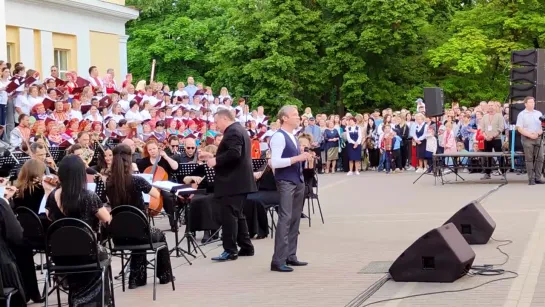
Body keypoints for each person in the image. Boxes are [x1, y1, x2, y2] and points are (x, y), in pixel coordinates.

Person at [44, 155, 113, 306]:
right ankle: (97, 301)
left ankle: (77, 297)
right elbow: (107, 219)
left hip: (60, 255)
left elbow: (49, 217)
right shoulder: (88, 196)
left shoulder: (52, 196)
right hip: (88, 254)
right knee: (104, 253)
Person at [106, 144, 174, 288]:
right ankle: (164, 276)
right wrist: (139, 175)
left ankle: (136, 278)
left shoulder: (109, 181)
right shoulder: (136, 180)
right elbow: (155, 194)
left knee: (137, 235)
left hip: (119, 235)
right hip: (140, 232)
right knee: (159, 235)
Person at [199, 109, 256, 261]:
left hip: (233, 182)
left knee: (229, 216)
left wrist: (215, 161)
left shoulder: (232, 132)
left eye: (217, 122)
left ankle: (230, 250)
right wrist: (212, 155)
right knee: (238, 214)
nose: (216, 125)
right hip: (240, 181)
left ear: (224, 118)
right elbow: (233, 152)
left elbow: (234, 153)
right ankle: (246, 246)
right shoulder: (239, 129)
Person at [269, 105, 311, 272]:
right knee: (285, 219)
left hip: (297, 180)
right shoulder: (278, 137)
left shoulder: (292, 136)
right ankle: (278, 260)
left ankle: (290, 255)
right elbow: (275, 162)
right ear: (284, 118)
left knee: (294, 219)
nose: (298, 117)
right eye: (294, 115)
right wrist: (298, 158)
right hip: (286, 180)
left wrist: (303, 156)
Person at [136, 140, 179, 230]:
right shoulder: (143, 162)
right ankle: (144, 224)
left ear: (158, 148)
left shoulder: (164, 159)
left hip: (164, 185)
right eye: (150, 149)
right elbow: (142, 176)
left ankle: (173, 222)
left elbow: (175, 167)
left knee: (167, 197)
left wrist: (166, 156)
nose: (152, 151)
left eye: (154, 148)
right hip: (150, 186)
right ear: (147, 151)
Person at [516, 96, 545, 185]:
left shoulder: (538, 113)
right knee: (529, 159)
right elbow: (519, 128)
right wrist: (530, 135)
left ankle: (538, 177)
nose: (533, 104)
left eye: (533, 102)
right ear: (525, 104)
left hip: (538, 137)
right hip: (527, 138)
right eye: (530, 102)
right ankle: (531, 179)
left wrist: (538, 133)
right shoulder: (522, 114)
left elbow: (542, 126)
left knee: (540, 158)